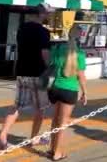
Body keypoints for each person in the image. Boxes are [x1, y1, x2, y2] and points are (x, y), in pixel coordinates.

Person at [0, 3, 52, 151]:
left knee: (17, 105)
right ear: (41, 14)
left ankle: (2, 136)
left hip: (22, 70)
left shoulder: (22, 28)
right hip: (38, 73)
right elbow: (44, 54)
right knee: (40, 108)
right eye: (47, 13)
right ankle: (34, 139)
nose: (48, 15)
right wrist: (50, 67)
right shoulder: (43, 32)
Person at [47, 25, 88, 161]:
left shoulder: (58, 49)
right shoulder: (80, 54)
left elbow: (50, 64)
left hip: (55, 88)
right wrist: (85, 93)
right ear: (80, 37)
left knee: (55, 119)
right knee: (63, 123)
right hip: (69, 90)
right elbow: (81, 76)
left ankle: (52, 148)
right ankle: (58, 153)